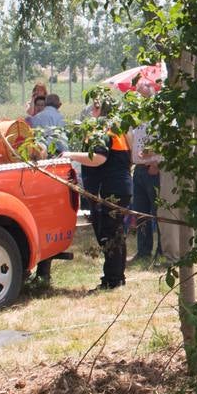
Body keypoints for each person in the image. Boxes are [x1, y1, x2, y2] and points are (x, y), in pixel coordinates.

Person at [65, 94, 132, 290]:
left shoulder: (104, 130)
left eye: (94, 108)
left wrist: (71, 155)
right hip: (121, 187)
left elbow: (99, 158)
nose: (91, 113)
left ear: (100, 111)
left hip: (109, 190)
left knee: (108, 233)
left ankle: (111, 280)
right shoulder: (120, 130)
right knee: (117, 232)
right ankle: (117, 277)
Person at [129, 79, 162, 262]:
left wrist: (156, 164)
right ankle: (143, 251)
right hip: (139, 168)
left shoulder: (159, 116)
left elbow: (164, 142)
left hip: (153, 168)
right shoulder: (137, 116)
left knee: (157, 212)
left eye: (142, 94)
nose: (139, 98)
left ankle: (162, 251)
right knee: (140, 211)